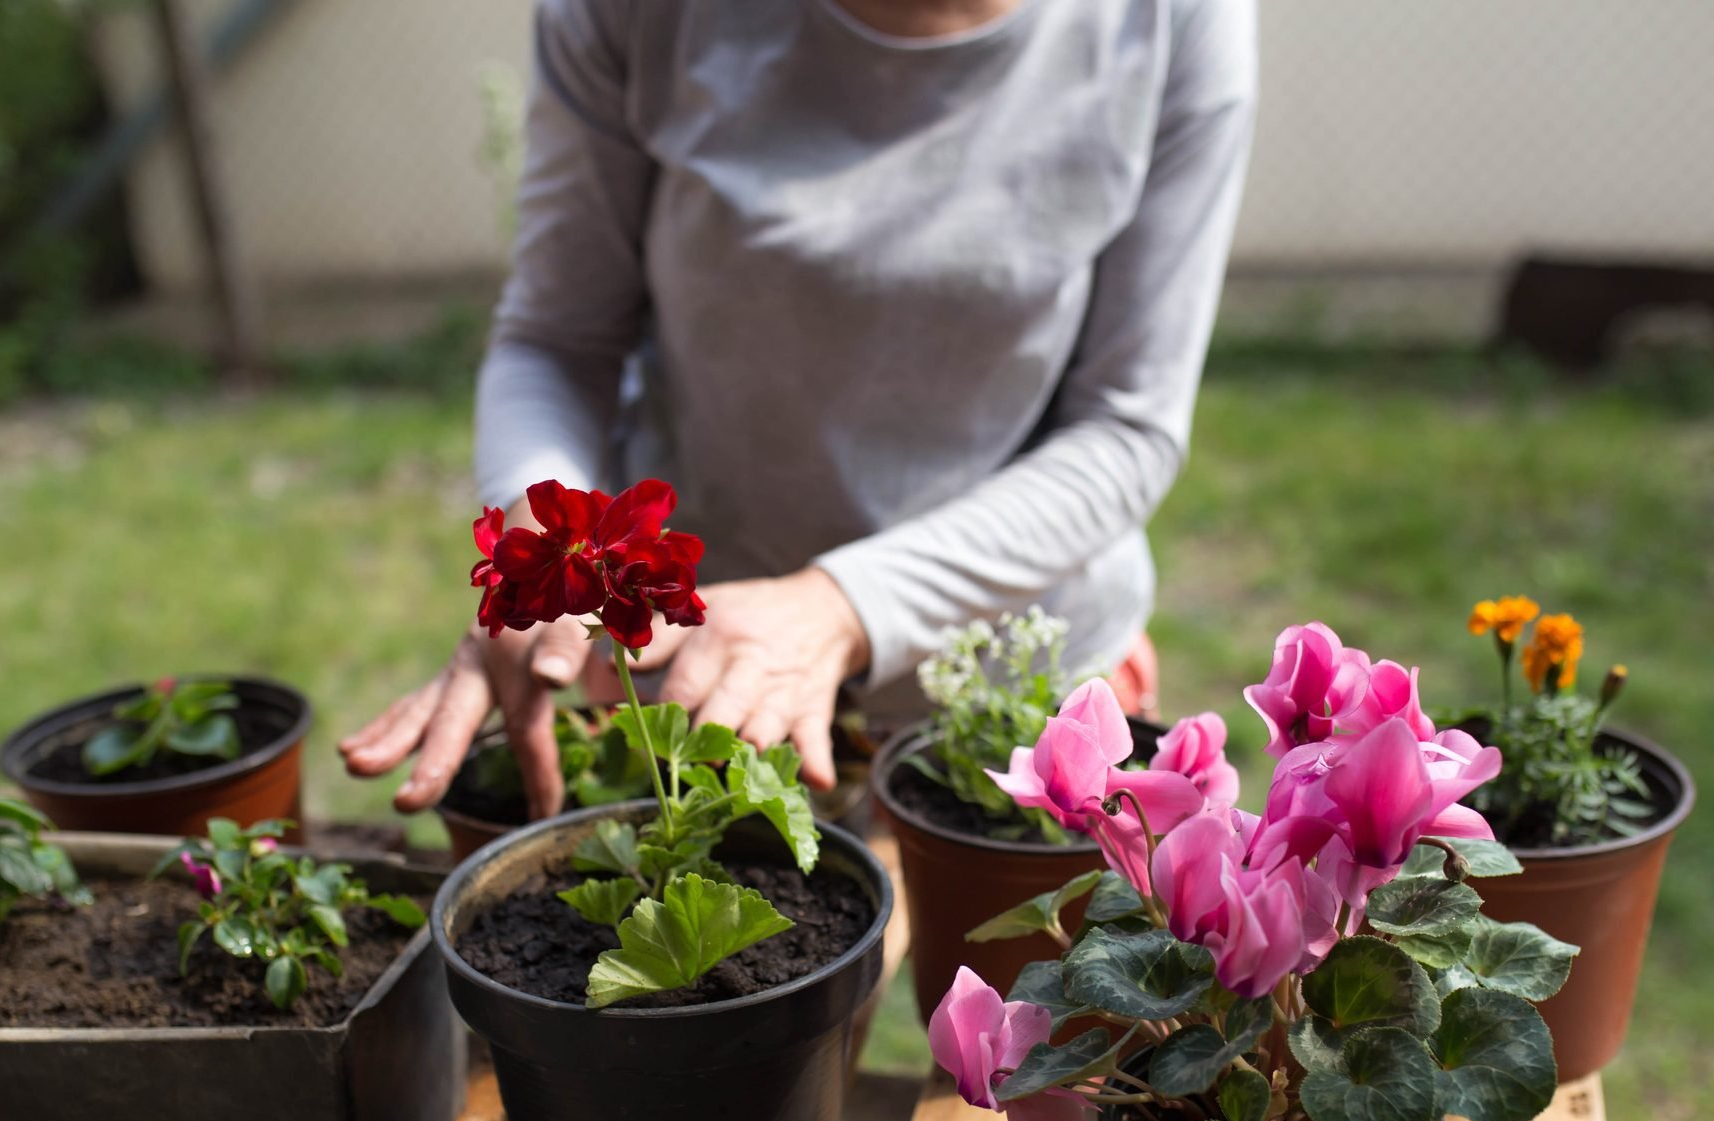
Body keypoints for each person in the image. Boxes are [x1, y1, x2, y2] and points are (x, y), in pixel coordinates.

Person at [342, 0, 1258, 819]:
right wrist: (539, 553)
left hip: (1016, 686)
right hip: (701, 672)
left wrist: (837, 607)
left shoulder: (1173, 21)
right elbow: (558, 339)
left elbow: (1125, 429)